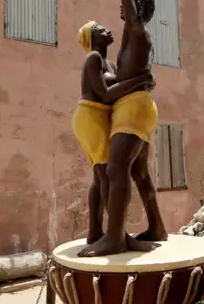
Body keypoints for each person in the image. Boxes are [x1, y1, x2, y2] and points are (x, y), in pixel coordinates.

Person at [78, 0, 167, 257]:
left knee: (115, 170)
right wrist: (142, 79)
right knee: (138, 172)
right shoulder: (134, 36)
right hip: (136, 106)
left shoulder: (136, 28)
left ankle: (114, 238)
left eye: (129, 7)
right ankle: (157, 226)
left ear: (136, 10)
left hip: (133, 109)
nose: (122, 10)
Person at [73, 20, 157, 253]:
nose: (106, 29)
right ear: (91, 38)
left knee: (100, 177)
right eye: (99, 29)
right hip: (92, 115)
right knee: (106, 175)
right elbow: (106, 94)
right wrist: (142, 80)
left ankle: (95, 233)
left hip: (100, 116)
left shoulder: (109, 63)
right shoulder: (94, 59)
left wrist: (144, 82)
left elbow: (122, 86)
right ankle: (119, 236)